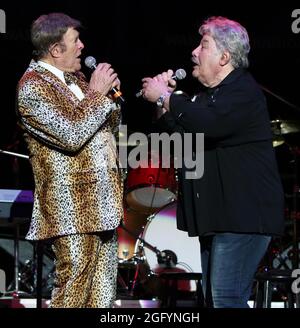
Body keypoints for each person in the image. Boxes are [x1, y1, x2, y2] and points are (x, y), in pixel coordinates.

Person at [141, 16, 285, 308]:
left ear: (224, 56)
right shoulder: (209, 98)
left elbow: (208, 124)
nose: (194, 52)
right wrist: (162, 103)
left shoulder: (242, 92)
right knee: (214, 300)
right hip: (221, 218)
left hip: (243, 219)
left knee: (226, 299)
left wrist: (167, 97)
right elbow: (181, 134)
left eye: (203, 45)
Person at [16, 13, 124, 308]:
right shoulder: (33, 87)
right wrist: (97, 95)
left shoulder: (77, 79)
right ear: (55, 49)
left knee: (102, 297)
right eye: (75, 41)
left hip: (104, 205)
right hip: (71, 208)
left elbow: (107, 128)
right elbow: (70, 134)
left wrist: (108, 96)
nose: (82, 46)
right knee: (73, 293)